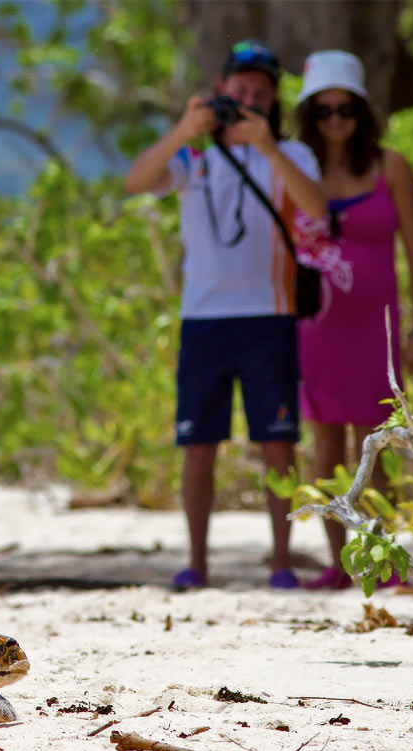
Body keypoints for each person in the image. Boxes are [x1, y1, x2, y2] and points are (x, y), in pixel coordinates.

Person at [125, 40, 328, 590]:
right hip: (205, 318)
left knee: (277, 443)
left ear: (273, 102)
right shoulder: (195, 158)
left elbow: (317, 209)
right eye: (239, 92)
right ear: (220, 92)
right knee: (198, 445)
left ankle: (282, 563)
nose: (249, 101)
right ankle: (197, 563)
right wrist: (184, 129)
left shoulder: (292, 154)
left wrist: (267, 148)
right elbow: (137, 182)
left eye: (260, 94)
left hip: (271, 315)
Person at [291, 51, 413, 590]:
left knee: (376, 443)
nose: (334, 120)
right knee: (325, 443)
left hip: (379, 332)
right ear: (310, 114)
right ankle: (338, 561)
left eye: (344, 108)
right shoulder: (297, 166)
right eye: (323, 110)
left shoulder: (390, 166)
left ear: (361, 111)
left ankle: (383, 558)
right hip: (316, 330)